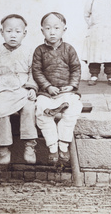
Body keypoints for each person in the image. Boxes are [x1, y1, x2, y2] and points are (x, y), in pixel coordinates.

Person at [0, 14, 38, 165]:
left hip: (22, 90)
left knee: (29, 107)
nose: (13, 35)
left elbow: (33, 73)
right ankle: (3, 147)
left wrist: (32, 88)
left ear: (24, 33)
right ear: (2, 32)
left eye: (17, 31)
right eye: (9, 31)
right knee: (0, 110)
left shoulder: (29, 52)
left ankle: (29, 145)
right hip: (3, 91)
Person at [32, 12, 82, 165]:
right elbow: (37, 71)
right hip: (47, 93)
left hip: (65, 92)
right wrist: (48, 86)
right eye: (48, 28)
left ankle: (63, 145)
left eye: (56, 28)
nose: (52, 32)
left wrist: (72, 85)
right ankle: (52, 147)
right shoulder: (39, 51)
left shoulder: (69, 49)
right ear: (42, 31)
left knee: (73, 109)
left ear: (64, 30)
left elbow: (76, 69)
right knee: (41, 111)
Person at [82, 0, 111, 86]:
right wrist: (92, 25)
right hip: (95, 32)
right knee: (94, 53)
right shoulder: (90, 1)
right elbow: (86, 15)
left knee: (110, 54)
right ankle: (93, 75)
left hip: (110, 31)